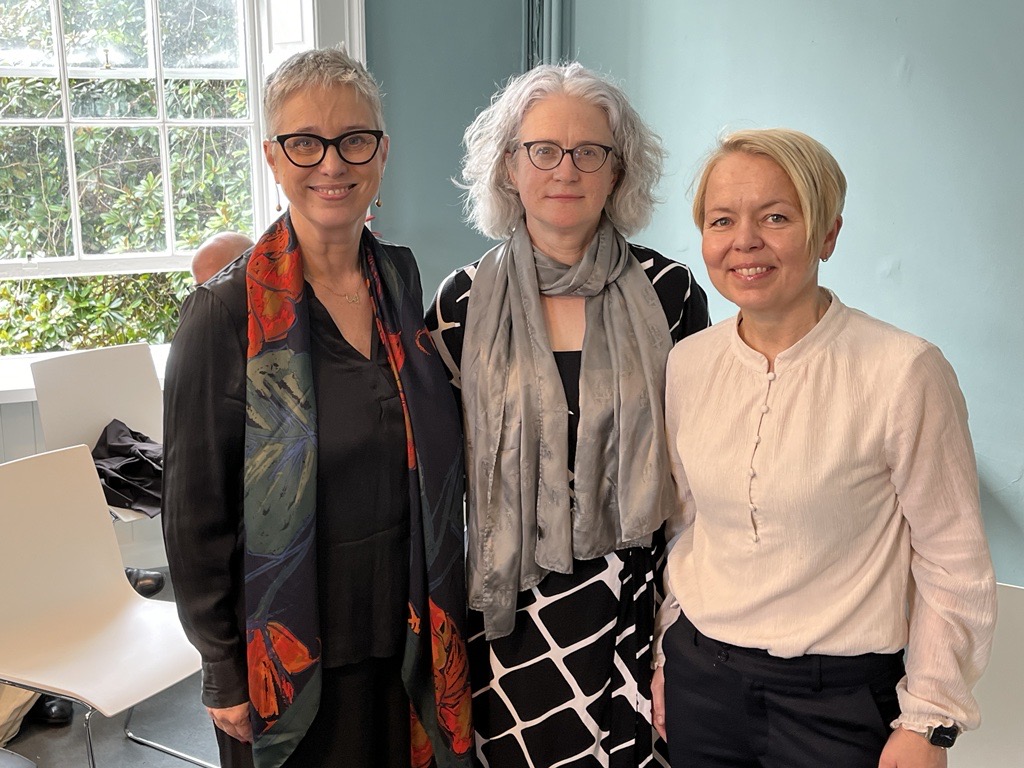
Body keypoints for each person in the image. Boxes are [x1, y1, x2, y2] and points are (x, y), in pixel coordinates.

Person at [162, 47, 472, 768]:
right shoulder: (225, 311)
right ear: (273, 157)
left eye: (353, 139)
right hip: (288, 645)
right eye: (305, 142)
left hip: (401, 633)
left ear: (381, 153)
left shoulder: (396, 276)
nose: (331, 164)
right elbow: (192, 512)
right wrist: (221, 668)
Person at [651, 128, 997, 768]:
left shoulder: (904, 370)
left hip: (838, 706)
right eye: (722, 220)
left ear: (828, 235)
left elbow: (954, 561)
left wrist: (928, 720)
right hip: (704, 684)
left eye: (776, 217)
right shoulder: (687, 365)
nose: (745, 241)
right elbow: (688, 525)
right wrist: (668, 651)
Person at [426, 62, 709, 767]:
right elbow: (432, 481)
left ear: (618, 172)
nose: (566, 169)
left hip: (638, 602)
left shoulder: (670, 292)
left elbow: (702, 472)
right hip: (509, 606)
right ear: (508, 167)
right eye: (542, 150)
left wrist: (682, 629)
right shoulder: (458, 303)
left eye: (591, 152)